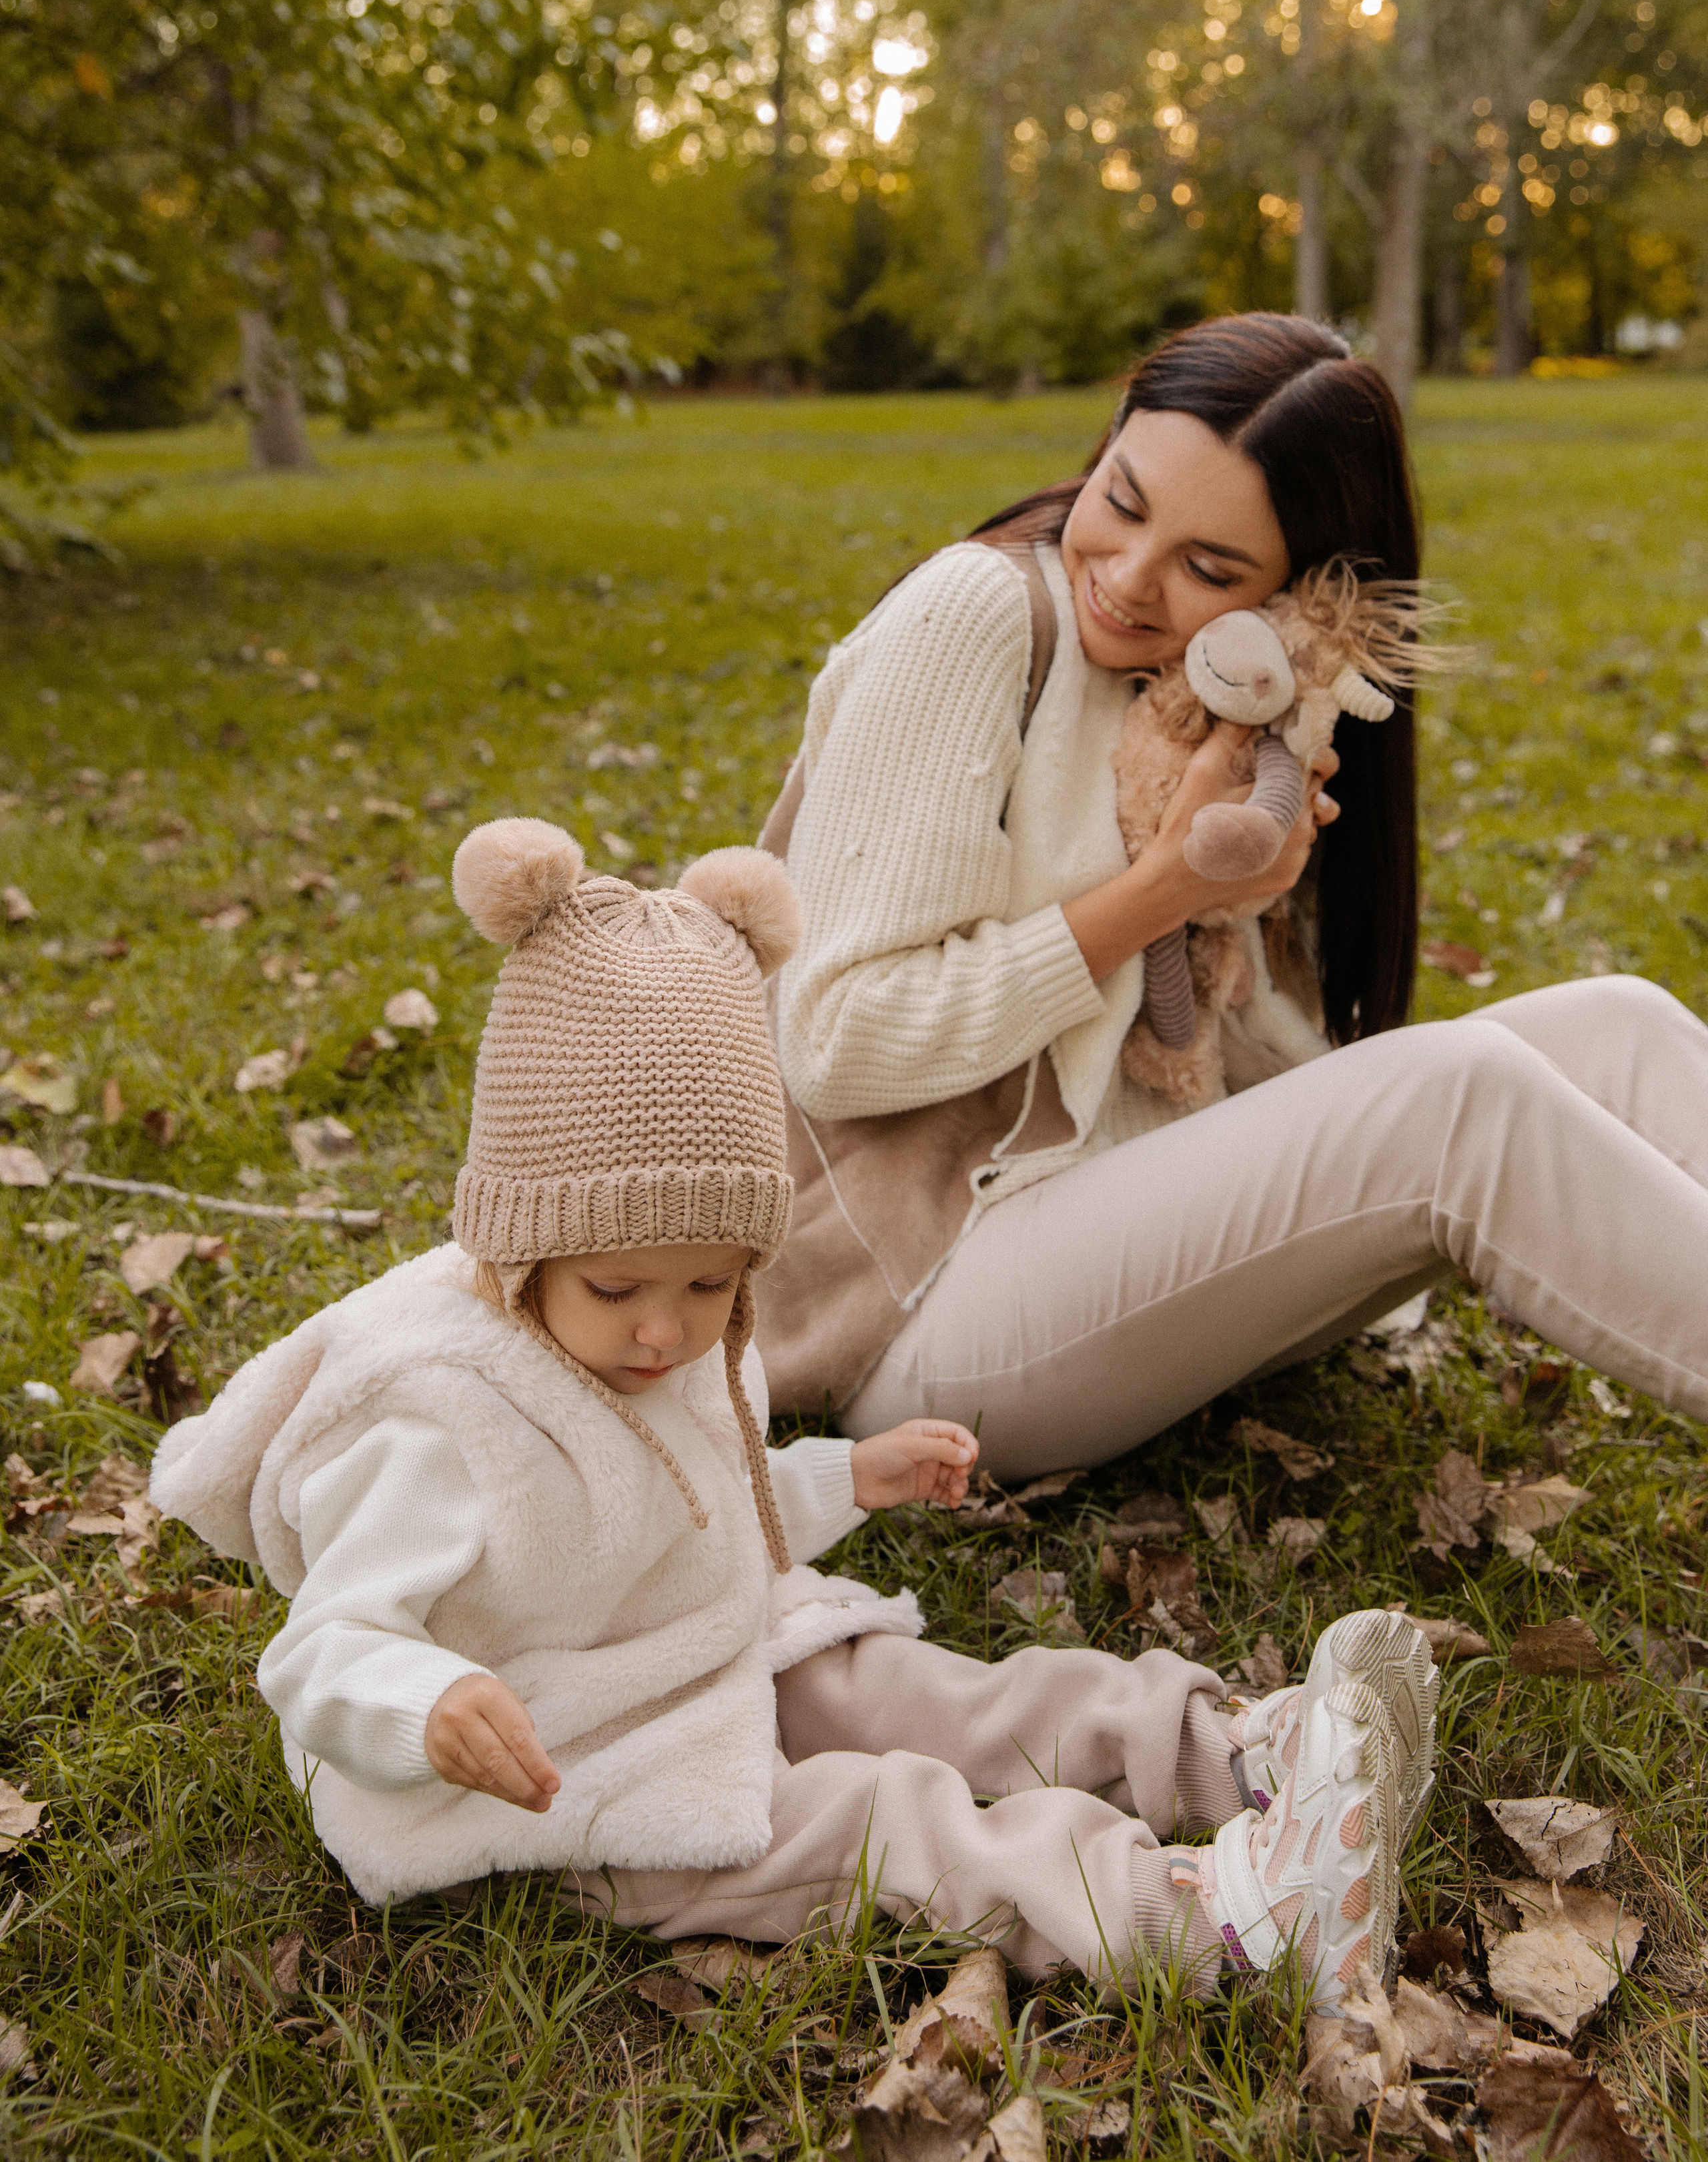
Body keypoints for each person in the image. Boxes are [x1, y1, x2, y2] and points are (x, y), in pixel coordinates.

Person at [151, 813, 1439, 2008]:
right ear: (517, 1248)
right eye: (619, 1288)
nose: (666, 1327)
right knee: (866, 1820)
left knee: (903, 1690)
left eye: (711, 1284)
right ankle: (1212, 1920)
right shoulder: (439, 1420)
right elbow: (326, 1646)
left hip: (680, 1652)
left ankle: (1235, 1752)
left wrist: (840, 1480)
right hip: (562, 1771)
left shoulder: (672, 1348)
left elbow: (698, 1502)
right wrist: (421, 1701)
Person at [755, 310, 1708, 1474]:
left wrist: (1247, 906)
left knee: (1622, 1026)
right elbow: (837, 1041)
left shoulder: (1226, 701)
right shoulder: (979, 617)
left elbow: (1207, 1059)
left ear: (1297, 598)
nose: (1129, 581)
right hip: (917, 1307)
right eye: (1122, 499)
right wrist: (1162, 892)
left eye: (1211, 571)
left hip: (1119, 1237)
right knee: (1461, 1096)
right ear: (1102, 447)